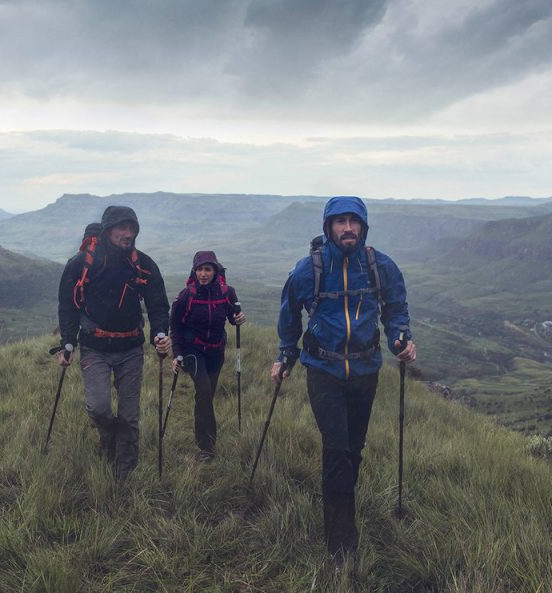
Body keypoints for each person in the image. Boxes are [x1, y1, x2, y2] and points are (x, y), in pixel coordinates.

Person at [271, 195, 416, 563]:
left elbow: (395, 308)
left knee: (354, 448)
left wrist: (400, 337)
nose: (347, 228)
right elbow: (290, 316)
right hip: (323, 371)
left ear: (363, 226)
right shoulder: (309, 270)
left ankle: (340, 504)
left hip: (366, 371)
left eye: (354, 221)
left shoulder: (380, 267)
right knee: (336, 450)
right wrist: (285, 355)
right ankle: (341, 543)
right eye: (340, 222)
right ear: (328, 227)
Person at [57, 206, 170, 480]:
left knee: (129, 416)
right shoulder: (82, 264)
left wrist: (160, 334)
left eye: (132, 229)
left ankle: (124, 474)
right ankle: (107, 436)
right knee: (99, 408)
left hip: (131, 348)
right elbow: (68, 306)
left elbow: (158, 305)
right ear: (108, 230)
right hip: (94, 347)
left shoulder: (143, 264)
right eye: (122, 228)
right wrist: (67, 342)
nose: (128, 234)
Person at [169, 251, 246, 462]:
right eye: (199, 269)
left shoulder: (227, 293)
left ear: (215, 271)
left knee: (207, 395)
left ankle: (206, 440)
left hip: (216, 351)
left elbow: (232, 318)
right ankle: (206, 447)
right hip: (192, 350)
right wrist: (176, 355)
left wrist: (238, 318)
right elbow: (175, 327)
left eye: (207, 269)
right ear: (194, 271)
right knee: (203, 391)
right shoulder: (186, 296)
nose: (203, 274)